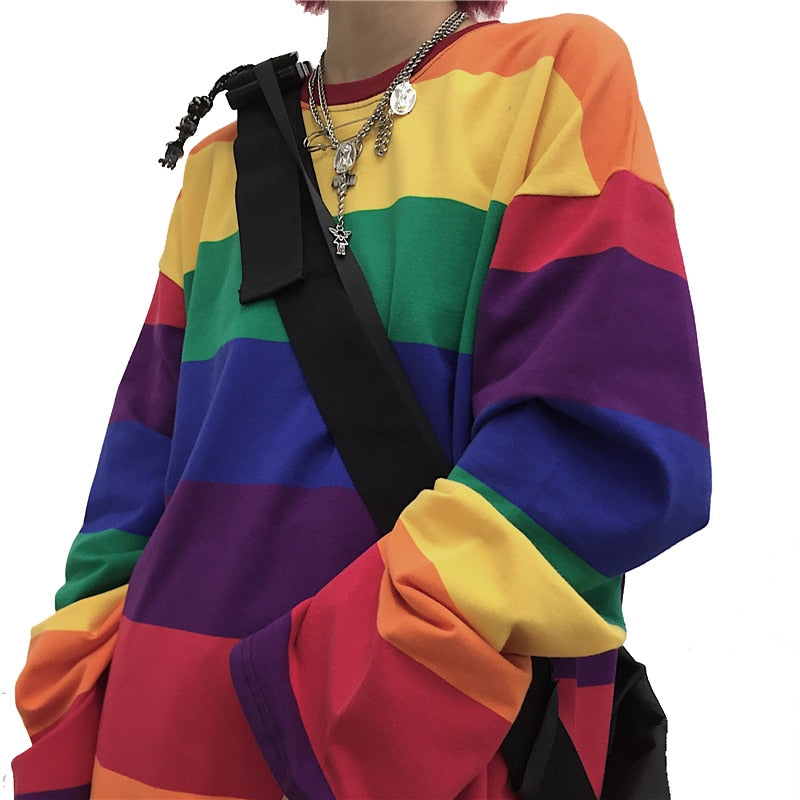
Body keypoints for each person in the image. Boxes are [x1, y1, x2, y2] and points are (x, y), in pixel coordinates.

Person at [12, 1, 711, 798]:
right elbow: (130, 494)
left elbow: (608, 445)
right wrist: (69, 724)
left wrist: (343, 700)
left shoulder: (555, 77)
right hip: (146, 758)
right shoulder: (223, 163)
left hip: (406, 757)